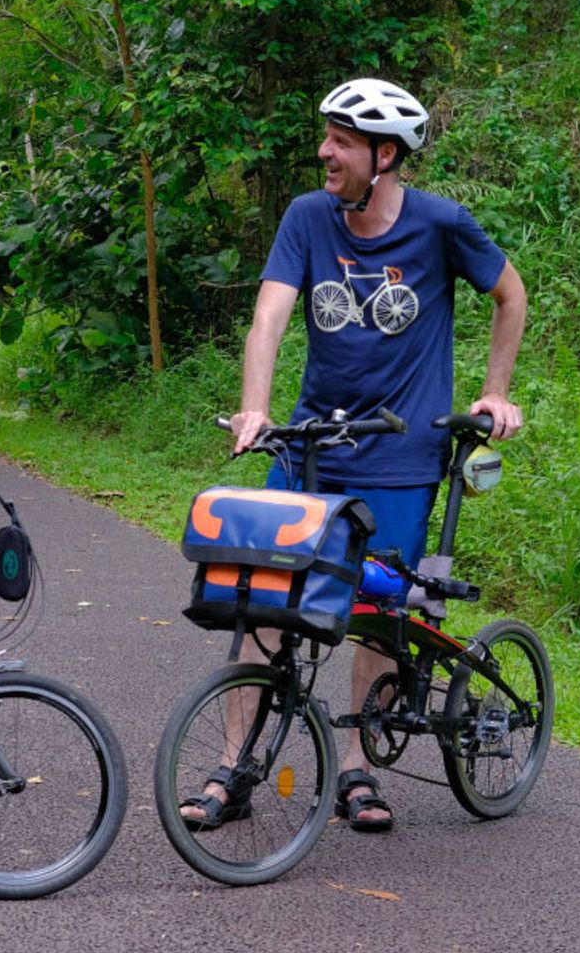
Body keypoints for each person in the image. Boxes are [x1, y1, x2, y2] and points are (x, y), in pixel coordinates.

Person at [181, 77, 526, 833]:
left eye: (341, 141)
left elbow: (512, 294)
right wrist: (256, 408)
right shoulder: (308, 217)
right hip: (310, 449)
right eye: (327, 137)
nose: (324, 152)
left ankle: (359, 770)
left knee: (378, 614)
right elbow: (269, 318)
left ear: (385, 155)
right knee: (262, 599)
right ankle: (234, 768)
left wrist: (494, 392)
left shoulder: (441, 224)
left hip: (401, 458)